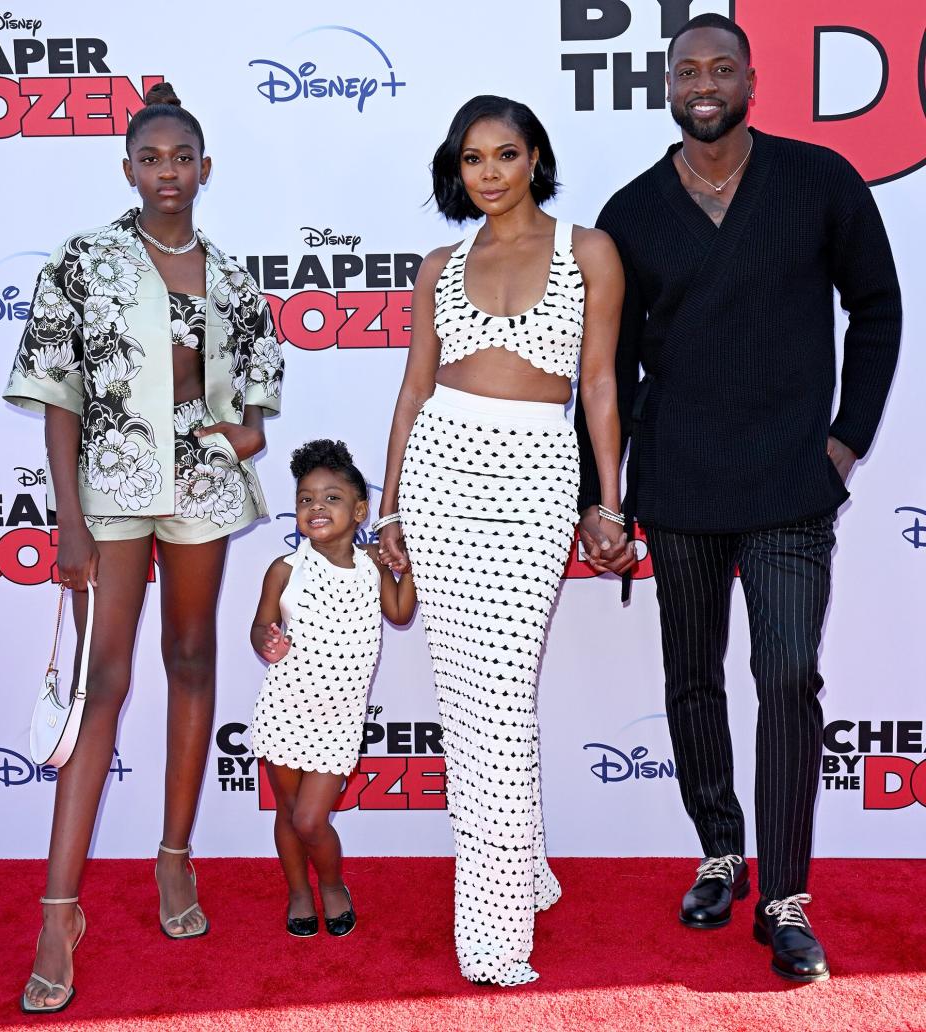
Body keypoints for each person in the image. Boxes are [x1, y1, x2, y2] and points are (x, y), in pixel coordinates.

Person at [576, 13, 902, 983]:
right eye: (688, 69)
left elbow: (877, 305)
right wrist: (608, 494)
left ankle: (787, 897)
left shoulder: (820, 180)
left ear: (752, 79)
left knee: (789, 675)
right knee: (691, 678)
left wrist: (846, 440)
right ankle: (721, 850)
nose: (705, 81)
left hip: (793, 488)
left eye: (722, 66)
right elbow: (606, 368)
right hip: (675, 489)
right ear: (667, 85)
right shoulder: (630, 212)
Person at [3, 82, 283, 1013]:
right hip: (110, 491)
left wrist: (232, 435)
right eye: (152, 159)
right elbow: (56, 392)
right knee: (103, 683)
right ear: (128, 168)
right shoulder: (83, 262)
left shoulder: (234, 276)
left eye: (183, 158)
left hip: (199, 489)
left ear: (207, 169)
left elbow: (256, 406)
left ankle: (174, 857)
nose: (169, 173)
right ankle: (57, 912)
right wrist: (67, 521)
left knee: (193, 657)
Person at [378, 95, 632, 985]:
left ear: (535, 159)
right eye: (472, 159)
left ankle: (505, 903)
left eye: (505, 155)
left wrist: (609, 502)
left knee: (504, 693)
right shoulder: (439, 263)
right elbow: (413, 392)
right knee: (470, 703)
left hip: (534, 478)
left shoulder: (588, 250)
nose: (488, 173)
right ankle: (506, 898)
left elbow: (599, 383)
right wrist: (392, 509)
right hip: (443, 470)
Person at [250, 439, 416, 938]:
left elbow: (400, 613)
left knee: (309, 819)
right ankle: (298, 891)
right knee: (288, 811)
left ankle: (331, 883)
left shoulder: (373, 565)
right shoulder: (286, 569)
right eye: (306, 499)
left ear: (361, 509)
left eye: (332, 498)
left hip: (338, 721)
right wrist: (268, 640)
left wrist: (405, 568)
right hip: (284, 710)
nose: (316, 507)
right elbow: (259, 628)